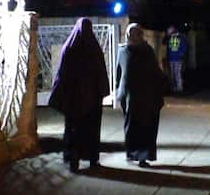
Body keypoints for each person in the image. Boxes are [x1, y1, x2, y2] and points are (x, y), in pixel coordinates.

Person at [48, 17, 110, 172]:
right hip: (92, 99)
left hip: (74, 98)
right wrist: (102, 90)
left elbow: (62, 73)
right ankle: (92, 158)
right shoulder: (94, 49)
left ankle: (73, 159)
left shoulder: (69, 48)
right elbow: (101, 72)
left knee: (74, 129)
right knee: (91, 130)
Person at [115, 23, 166, 167]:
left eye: (137, 34)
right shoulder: (123, 51)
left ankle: (142, 156)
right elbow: (119, 72)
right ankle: (132, 153)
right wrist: (120, 91)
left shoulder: (147, 51)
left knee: (144, 127)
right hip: (130, 97)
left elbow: (154, 72)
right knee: (131, 127)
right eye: (132, 34)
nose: (134, 37)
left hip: (146, 97)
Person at [164, 24, 186, 93]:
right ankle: (174, 88)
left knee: (177, 73)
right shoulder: (170, 38)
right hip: (171, 58)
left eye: (169, 32)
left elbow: (184, 48)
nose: (169, 34)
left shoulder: (181, 37)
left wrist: (180, 55)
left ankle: (179, 88)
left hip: (178, 59)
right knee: (173, 74)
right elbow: (166, 44)